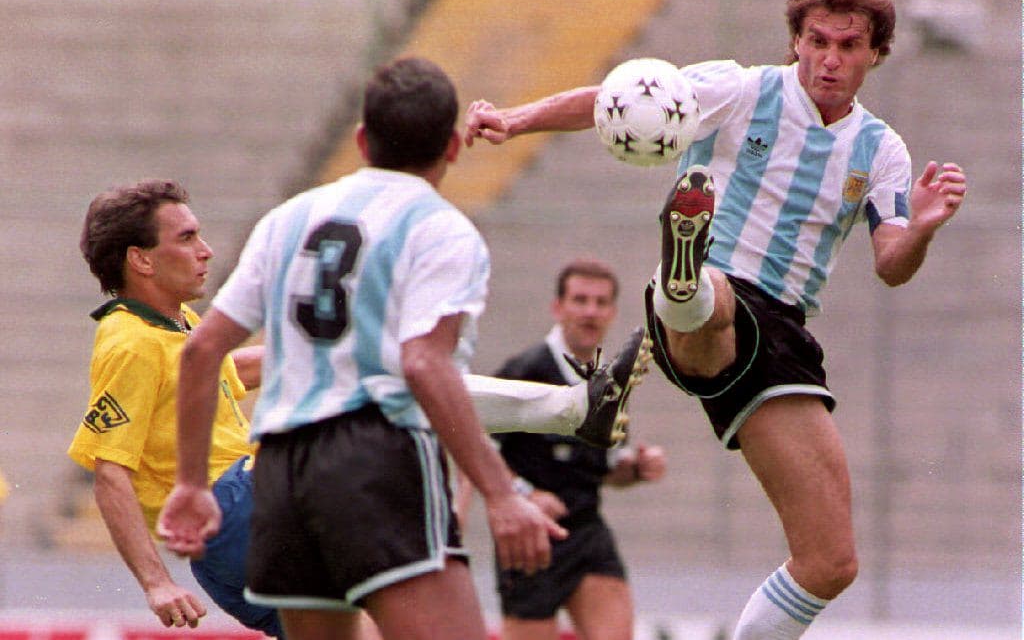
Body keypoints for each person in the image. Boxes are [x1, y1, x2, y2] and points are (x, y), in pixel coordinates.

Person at [461, 0, 967, 640]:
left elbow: (891, 263)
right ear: (796, 41)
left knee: (831, 560)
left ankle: (676, 289)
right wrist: (513, 118)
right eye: (818, 41)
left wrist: (924, 227)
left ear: (876, 52)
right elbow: (615, 99)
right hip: (717, 294)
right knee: (719, 302)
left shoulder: (882, 152)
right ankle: (685, 270)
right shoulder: (741, 87)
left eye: (849, 47)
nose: (830, 60)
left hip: (784, 340)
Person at [156, 57, 652, 640]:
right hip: (377, 459)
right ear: (451, 147)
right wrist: (501, 493)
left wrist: (190, 485)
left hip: (279, 471)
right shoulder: (440, 230)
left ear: (363, 139)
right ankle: (568, 408)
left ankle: (568, 408)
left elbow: (201, 350)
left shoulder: (288, 219)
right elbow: (422, 362)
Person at [69, 180, 283, 636]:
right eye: (186, 239)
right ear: (141, 259)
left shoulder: (176, 320)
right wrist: (156, 583)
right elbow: (109, 473)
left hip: (231, 528)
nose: (205, 250)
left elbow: (226, 373)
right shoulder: (131, 344)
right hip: (233, 507)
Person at [487, 259, 666, 640]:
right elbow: (478, 447)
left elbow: (609, 471)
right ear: (558, 307)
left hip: (586, 531)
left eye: (600, 302)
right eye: (580, 300)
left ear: (612, 312)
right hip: (529, 536)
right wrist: (525, 495)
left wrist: (635, 469)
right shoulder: (525, 369)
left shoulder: (612, 380)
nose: (590, 311)